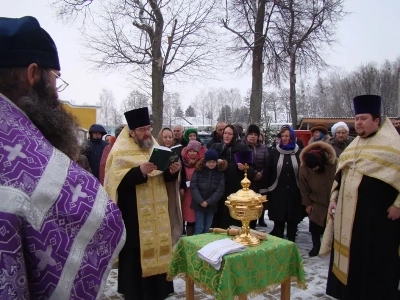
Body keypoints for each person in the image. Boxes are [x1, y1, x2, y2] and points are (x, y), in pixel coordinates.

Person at [0, 16, 125, 299]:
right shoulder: (26, 154)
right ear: (33, 74)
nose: (56, 91)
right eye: (55, 79)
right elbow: (102, 218)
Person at [324, 95, 400, 299]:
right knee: (352, 261)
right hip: (349, 220)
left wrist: (398, 205)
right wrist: (334, 197)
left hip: (378, 220)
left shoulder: (394, 146)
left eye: (363, 118)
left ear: (376, 120)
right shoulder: (353, 145)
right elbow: (340, 176)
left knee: (375, 265)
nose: (358, 122)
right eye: (356, 118)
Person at [104, 107, 182, 300]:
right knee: (135, 257)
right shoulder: (120, 151)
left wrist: (172, 171)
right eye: (142, 129)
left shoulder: (154, 146)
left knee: (160, 250)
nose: (147, 133)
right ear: (131, 132)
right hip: (134, 217)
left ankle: (160, 291)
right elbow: (114, 183)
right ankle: (136, 293)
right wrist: (139, 172)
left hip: (159, 215)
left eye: (148, 128)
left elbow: (166, 180)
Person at [262, 125, 305, 241]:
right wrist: (264, 192)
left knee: (293, 223)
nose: (285, 138)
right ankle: (279, 246)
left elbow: (304, 174)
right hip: (277, 193)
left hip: (294, 193)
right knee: (278, 224)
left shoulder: (300, 153)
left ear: (292, 137)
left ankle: (291, 246)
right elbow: (268, 172)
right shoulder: (274, 153)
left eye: (287, 136)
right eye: (283, 136)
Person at [211, 125, 253, 229]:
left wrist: (244, 168)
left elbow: (252, 169)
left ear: (234, 135)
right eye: (225, 133)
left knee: (232, 220)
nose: (227, 136)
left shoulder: (242, 148)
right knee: (218, 221)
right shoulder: (216, 147)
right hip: (218, 189)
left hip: (234, 189)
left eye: (230, 134)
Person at [299, 141, 336, 256]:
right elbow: (303, 188)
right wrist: (307, 204)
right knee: (314, 226)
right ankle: (316, 246)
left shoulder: (334, 163)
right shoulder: (305, 168)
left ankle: (332, 247)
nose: (314, 169)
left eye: (316, 167)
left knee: (331, 227)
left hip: (333, 200)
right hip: (316, 201)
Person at [190, 149, 227, 234]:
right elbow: (193, 186)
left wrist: (209, 201)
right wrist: (201, 201)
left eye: (213, 162)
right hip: (199, 204)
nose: (211, 164)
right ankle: (197, 244)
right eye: (209, 162)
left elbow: (220, 190)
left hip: (211, 205)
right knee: (199, 227)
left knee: (207, 227)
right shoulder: (199, 171)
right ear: (205, 161)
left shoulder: (219, 173)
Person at [243, 124, 269, 227]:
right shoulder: (243, 147)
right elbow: (243, 163)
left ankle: (254, 226)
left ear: (258, 136)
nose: (253, 136)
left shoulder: (263, 148)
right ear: (247, 135)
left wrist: (261, 173)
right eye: (250, 134)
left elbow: (267, 163)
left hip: (260, 182)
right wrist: (253, 173)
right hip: (247, 182)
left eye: (255, 134)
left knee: (257, 205)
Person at [180, 140, 205, 236]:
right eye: (190, 151)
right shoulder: (183, 161)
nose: (192, 153)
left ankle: (194, 236)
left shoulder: (201, 163)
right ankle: (187, 234)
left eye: (195, 151)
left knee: (195, 217)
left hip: (197, 194)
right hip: (186, 194)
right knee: (186, 215)